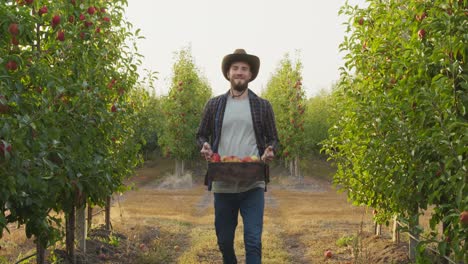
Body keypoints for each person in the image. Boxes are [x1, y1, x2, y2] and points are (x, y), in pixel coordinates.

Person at [196, 49, 279, 264]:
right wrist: (205, 146)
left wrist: (270, 150)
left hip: (253, 181)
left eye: (244, 69)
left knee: (253, 240)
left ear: (250, 75)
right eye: (235, 68)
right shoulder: (214, 105)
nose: (239, 72)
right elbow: (201, 135)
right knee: (224, 240)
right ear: (228, 73)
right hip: (223, 181)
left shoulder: (262, 105)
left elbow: (273, 139)